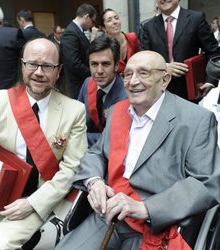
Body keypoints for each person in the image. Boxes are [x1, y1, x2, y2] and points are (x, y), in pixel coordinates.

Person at [55, 50, 220, 250]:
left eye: (143, 73)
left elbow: (206, 184)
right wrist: (94, 182)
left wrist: (145, 208)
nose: (133, 81)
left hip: (157, 221)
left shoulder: (196, 119)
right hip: (109, 214)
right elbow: (96, 153)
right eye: (128, 74)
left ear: (165, 79)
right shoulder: (117, 111)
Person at [0, 38, 87, 249]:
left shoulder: (74, 111)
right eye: (32, 64)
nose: (39, 72)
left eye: (48, 66)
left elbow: (72, 169)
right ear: (22, 65)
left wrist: (33, 204)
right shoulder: (0, 101)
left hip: (36, 198)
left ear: (58, 70)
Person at [141, 0, 220, 100]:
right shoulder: (148, 26)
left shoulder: (196, 19)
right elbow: (144, 59)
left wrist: (211, 80)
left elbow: (213, 51)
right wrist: (163, 67)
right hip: (159, 91)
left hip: (189, 89)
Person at [78, 34, 127, 147]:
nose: (99, 71)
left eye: (105, 64)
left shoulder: (126, 96)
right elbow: (77, 121)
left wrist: (79, 137)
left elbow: (115, 139)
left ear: (116, 66)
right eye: (94, 64)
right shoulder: (87, 83)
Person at [60, 3, 97, 99]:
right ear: (87, 17)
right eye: (93, 22)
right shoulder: (71, 32)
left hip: (81, 82)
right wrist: (92, 73)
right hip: (76, 84)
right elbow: (73, 63)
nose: (92, 26)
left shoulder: (78, 30)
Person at [101, 8, 140, 76]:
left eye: (116, 18)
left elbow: (140, 58)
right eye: (109, 20)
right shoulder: (104, 47)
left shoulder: (132, 37)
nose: (115, 22)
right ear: (104, 28)